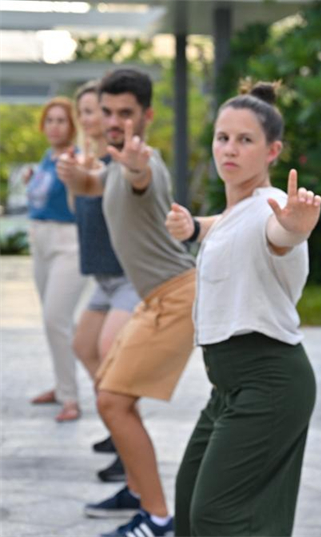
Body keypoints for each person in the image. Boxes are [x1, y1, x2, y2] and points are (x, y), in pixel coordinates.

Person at [165, 81, 320, 537]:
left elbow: (277, 232)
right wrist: (193, 226)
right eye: (222, 137)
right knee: (190, 503)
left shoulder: (271, 211)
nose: (229, 149)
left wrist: (296, 228)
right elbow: (226, 224)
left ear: (273, 151)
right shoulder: (235, 211)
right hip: (228, 387)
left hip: (268, 380)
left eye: (245, 140)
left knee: (217, 515)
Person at [74, 69, 196, 537]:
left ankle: (158, 518)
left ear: (146, 115)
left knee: (112, 401)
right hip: (156, 298)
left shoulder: (143, 163)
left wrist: (135, 164)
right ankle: (142, 495)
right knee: (111, 393)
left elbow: (141, 175)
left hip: (177, 296)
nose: (114, 122)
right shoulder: (111, 165)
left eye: (125, 113)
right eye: (107, 112)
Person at [56, 80, 141, 481]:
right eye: (88, 112)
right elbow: (79, 206)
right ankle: (117, 422)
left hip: (126, 274)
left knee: (112, 359)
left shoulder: (118, 161)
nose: (94, 119)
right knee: (83, 345)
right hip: (103, 276)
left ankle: (126, 441)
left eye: (99, 111)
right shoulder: (85, 159)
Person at [26, 97, 89, 422]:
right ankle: (62, 385)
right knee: (55, 322)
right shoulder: (47, 159)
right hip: (40, 243)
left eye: (61, 120)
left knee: (56, 319)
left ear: (72, 125)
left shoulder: (73, 159)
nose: (54, 126)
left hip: (68, 243)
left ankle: (71, 400)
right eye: (49, 120)